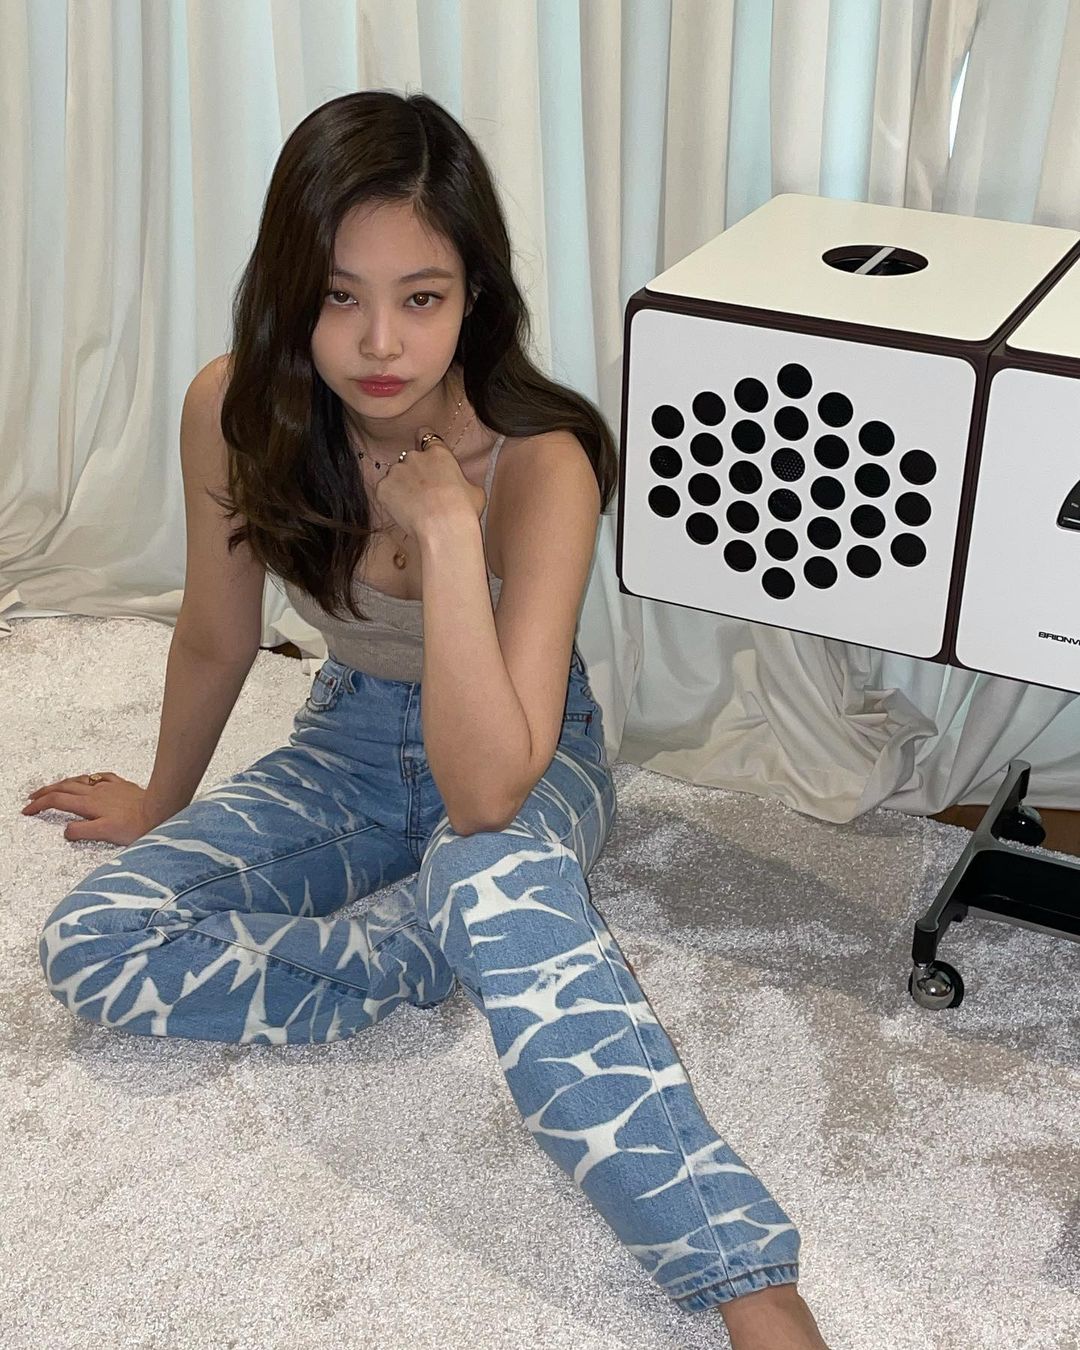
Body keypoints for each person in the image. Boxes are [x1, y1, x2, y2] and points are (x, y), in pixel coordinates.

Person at [29, 90, 828, 1348]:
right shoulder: (234, 409)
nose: (380, 341)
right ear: (289, 292)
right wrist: (161, 801)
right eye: (339, 296)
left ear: (474, 298)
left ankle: (747, 1283)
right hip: (344, 746)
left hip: (528, 749)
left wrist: (451, 530)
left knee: (490, 869)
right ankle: (415, 954)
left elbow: (491, 789)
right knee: (96, 940)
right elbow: (217, 635)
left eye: (421, 296)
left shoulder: (545, 457)